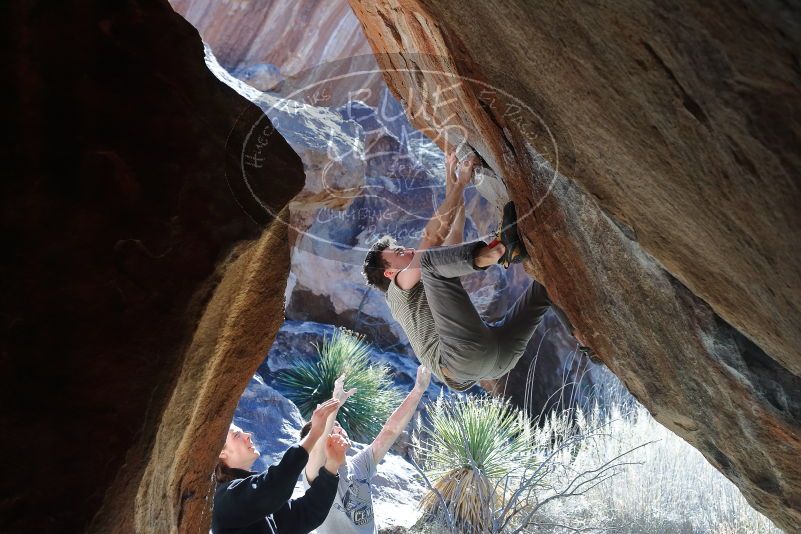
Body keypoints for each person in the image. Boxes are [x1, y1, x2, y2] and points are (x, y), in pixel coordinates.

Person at [362, 148, 574, 391]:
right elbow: (431, 239)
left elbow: (454, 236)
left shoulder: (428, 282)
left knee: (546, 285)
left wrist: (451, 179)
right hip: (460, 359)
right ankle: (501, 251)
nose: (406, 250)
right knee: (430, 259)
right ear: (390, 274)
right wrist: (462, 182)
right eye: (398, 253)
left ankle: (581, 335)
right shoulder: (397, 292)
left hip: (497, 361)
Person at [299, 366, 432, 533]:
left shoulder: (360, 464)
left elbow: (390, 431)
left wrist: (418, 390)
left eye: (338, 426)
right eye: (331, 429)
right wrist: (335, 405)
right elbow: (317, 449)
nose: (339, 430)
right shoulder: (315, 474)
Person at [212, 398, 350, 534]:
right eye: (236, 435)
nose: (248, 435)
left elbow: (306, 514)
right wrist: (314, 434)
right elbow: (273, 486)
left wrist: (332, 464)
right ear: (221, 452)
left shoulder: (254, 497)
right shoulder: (225, 499)